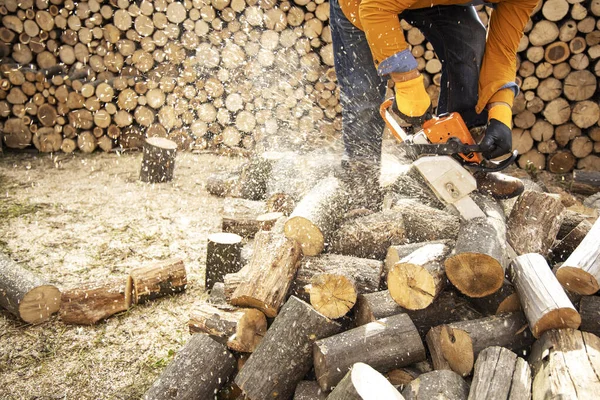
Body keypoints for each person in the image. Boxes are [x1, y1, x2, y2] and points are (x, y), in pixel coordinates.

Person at [330, 0, 538, 210]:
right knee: (364, 96)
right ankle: (360, 185)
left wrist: (500, 112)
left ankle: (467, 163)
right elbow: (374, 7)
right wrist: (408, 84)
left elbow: (502, 50)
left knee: (469, 44)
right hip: (363, 3)